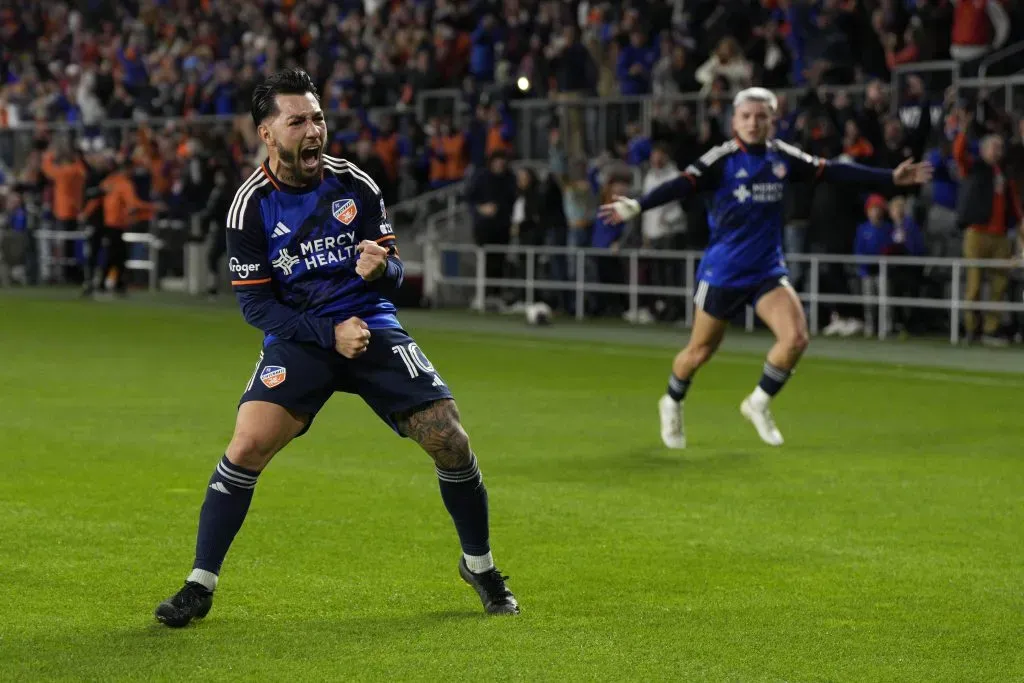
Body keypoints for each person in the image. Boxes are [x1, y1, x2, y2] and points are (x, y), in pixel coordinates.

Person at [154, 69, 519, 628]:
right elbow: (256, 308)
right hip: (301, 334)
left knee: (449, 436)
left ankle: (481, 566)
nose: (314, 130)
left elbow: (393, 274)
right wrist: (328, 334)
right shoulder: (249, 207)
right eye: (297, 120)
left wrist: (385, 269)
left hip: (372, 325)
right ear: (267, 133)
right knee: (247, 445)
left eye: (318, 117)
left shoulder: (356, 185)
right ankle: (199, 585)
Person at [598, 87, 932, 449]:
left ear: (773, 120)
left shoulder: (782, 157)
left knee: (796, 339)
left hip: (767, 270)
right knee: (700, 352)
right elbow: (682, 185)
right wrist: (638, 205)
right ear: (734, 121)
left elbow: (832, 171)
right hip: (723, 271)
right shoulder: (721, 159)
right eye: (746, 116)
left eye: (761, 116)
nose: (753, 123)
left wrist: (888, 178)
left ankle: (757, 403)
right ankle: (672, 401)